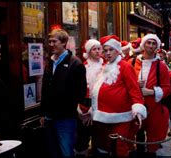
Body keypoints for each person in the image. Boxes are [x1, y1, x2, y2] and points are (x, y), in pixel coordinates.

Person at [89, 35, 146, 157]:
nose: (107, 53)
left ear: (117, 50)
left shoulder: (125, 66)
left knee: (119, 147)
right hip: (102, 116)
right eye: (105, 50)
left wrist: (138, 108)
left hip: (120, 117)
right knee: (105, 146)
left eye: (111, 50)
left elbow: (134, 90)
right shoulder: (104, 67)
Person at [39, 29, 87, 158]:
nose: (51, 44)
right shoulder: (50, 62)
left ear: (64, 42)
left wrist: (67, 107)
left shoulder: (75, 64)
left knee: (66, 152)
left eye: (54, 41)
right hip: (49, 118)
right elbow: (45, 89)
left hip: (65, 118)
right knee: (53, 151)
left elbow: (80, 92)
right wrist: (43, 112)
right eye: (49, 41)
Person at [132, 34, 171, 157]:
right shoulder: (132, 62)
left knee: (152, 138)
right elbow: (125, 82)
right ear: (143, 45)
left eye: (154, 43)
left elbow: (167, 88)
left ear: (157, 46)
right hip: (135, 106)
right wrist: (135, 84)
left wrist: (152, 91)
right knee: (136, 135)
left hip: (153, 108)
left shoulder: (161, 66)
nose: (151, 45)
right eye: (148, 42)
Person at [74, 39, 104, 157]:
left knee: (100, 138)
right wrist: (79, 109)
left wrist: (94, 109)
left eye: (99, 48)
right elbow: (77, 88)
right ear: (88, 51)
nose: (97, 51)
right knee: (82, 138)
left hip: (102, 106)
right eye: (94, 49)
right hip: (84, 106)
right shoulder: (82, 66)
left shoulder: (106, 65)